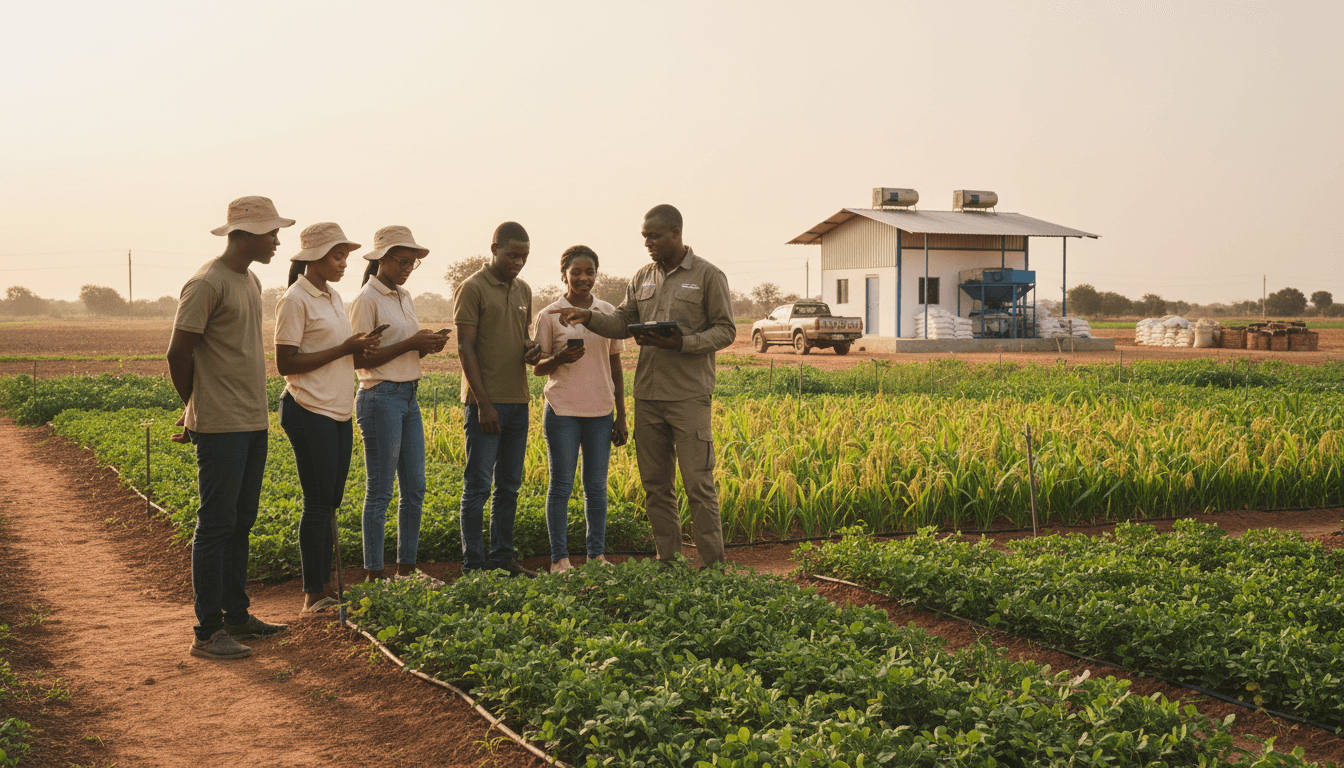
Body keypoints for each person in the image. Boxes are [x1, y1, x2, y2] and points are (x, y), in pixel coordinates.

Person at [549, 204, 735, 568]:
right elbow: (622, 322)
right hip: (648, 395)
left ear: (675, 234)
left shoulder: (708, 275)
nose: (647, 243)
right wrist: (588, 317)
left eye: (654, 236)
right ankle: (668, 560)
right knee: (656, 485)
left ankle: (712, 566)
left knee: (698, 483)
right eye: (645, 237)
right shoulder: (642, 277)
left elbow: (726, 330)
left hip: (689, 395)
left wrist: (683, 343)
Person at [167, 195, 293, 660]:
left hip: (252, 419)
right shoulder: (206, 283)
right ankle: (207, 631)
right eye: (271, 232)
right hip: (221, 424)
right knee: (217, 524)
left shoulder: (250, 279)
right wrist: (195, 406)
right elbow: (178, 353)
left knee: (241, 522)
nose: (277, 240)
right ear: (246, 234)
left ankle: (237, 615)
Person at [274, 223, 383, 612]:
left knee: (330, 499)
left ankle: (323, 588)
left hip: (336, 409)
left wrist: (359, 348)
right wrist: (344, 348)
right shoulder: (294, 300)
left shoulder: (334, 297)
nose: (344, 264)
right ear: (315, 258)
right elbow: (286, 363)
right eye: (338, 257)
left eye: (345, 257)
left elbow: (338, 352)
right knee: (318, 501)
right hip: (308, 407)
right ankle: (313, 594)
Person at [347, 226, 448, 580]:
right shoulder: (366, 300)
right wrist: (411, 343)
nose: (407, 268)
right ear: (381, 259)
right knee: (380, 491)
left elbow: (407, 349)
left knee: (415, 489)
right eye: (402, 261)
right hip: (380, 397)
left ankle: (407, 571)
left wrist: (426, 345)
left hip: (408, 396)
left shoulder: (404, 296)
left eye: (412, 263)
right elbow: (359, 359)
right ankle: (375, 577)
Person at [531, 245, 628, 574]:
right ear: (564, 275)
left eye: (590, 272)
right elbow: (538, 368)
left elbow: (616, 366)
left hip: (601, 410)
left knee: (596, 487)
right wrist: (559, 358)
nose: (583, 278)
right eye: (576, 272)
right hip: (563, 410)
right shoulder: (549, 315)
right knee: (561, 486)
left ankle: (596, 556)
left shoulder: (608, 313)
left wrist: (622, 415)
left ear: (596, 275)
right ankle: (559, 560)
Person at [455, 221, 544, 576]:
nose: (518, 262)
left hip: (518, 402)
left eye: (524, 257)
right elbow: (465, 347)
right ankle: (473, 565)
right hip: (485, 404)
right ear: (494, 250)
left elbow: (521, 337)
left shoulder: (523, 290)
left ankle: (503, 557)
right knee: (478, 486)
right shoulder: (472, 288)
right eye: (512, 255)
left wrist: (531, 350)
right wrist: (483, 403)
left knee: (509, 486)